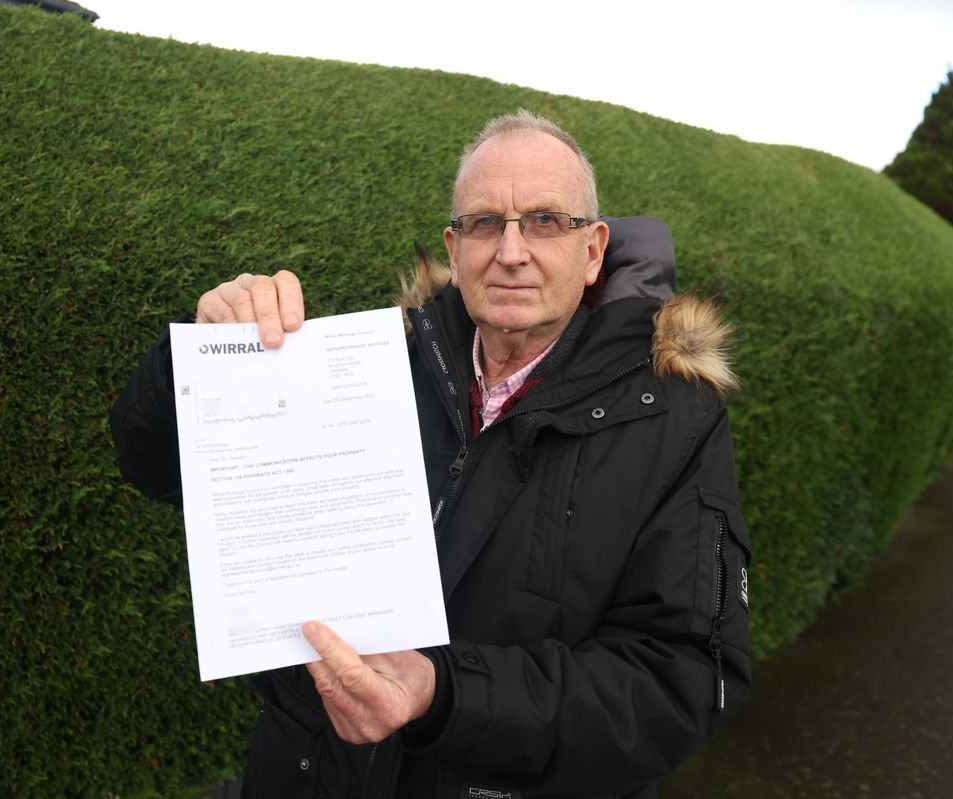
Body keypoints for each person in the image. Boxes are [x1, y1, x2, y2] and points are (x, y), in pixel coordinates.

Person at [110, 109, 751, 798]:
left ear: (592, 250)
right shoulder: (374, 365)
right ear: (455, 245)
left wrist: (444, 695)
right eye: (484, 223)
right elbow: (153, 463)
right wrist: (203, 354)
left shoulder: (672, 420)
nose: (510, 250)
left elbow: (681, 681)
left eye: (543, 220)